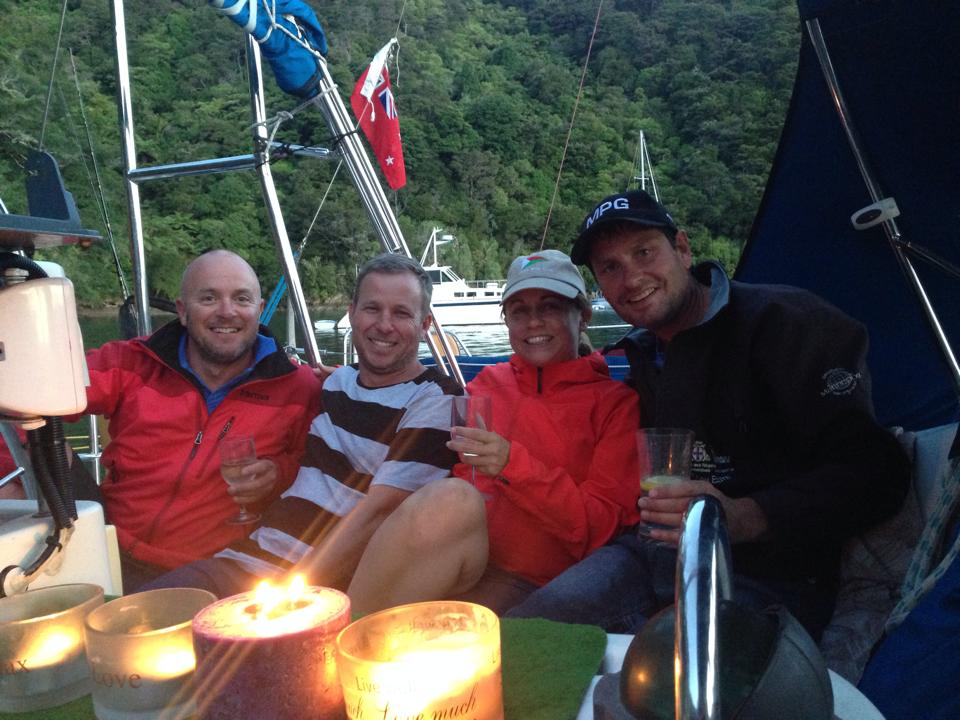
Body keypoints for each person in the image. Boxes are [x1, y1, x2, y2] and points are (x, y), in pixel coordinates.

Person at [507, 189, 911, 638]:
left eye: (644, 252)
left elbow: (878, 472)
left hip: (767, 572)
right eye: (611, 267)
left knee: (673, 670)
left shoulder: (788, 323)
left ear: (682, 249)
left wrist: (742, 515)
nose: (632, 278)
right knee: (513, 639)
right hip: (650, 555)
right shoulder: (642, 356)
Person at [144, 253, 472, 603]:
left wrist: (293, 595)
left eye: (402, 313)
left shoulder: (435, 399)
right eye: (372, 309)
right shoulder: (338, 383)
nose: (384, 325)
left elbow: (378, 514)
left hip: (316, 587)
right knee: (133, 618)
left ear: (424, 325)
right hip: (247, 560)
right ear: (352, 313)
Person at [346, 250, 642, 614]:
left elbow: (601, 529)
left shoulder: (615, 404)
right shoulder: (487, 384)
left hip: (539, 582)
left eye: (549, 307)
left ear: (582, 316)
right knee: (448, 500)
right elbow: (420, 404)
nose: (533, 322)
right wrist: (351, 380)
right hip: (460, 560)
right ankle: (334, 634)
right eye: (519, 311)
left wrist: (511, 464)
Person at [76, 249, 321, 591]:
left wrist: (278, 474)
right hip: (111, 556)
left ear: (259, 309)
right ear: (182, 311)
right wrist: (12, 470)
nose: (227, 311)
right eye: (209, 298)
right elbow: (31, 396)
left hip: (221, 570)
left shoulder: (298, 386)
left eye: (242, 299)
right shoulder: (130, 363)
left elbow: (320, 464)